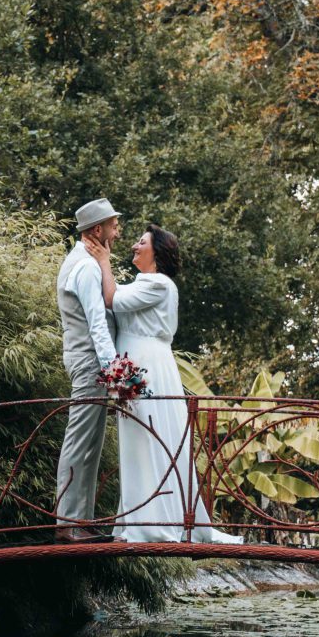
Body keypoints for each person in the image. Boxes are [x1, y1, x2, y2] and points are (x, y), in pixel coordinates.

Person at [85, 225, 244, 544]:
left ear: (157, 252)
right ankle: (139, 519)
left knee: (156, 439)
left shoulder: (159, 284)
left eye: (141, 242)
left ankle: (157, 523)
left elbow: (112, 298)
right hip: (136, 362)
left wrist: (103, 258)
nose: (133, 245)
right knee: (140, 443)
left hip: (150, 367)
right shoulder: (147, 283)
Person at [55, 198, 122, 544]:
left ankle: (82, 520)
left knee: (91, 443)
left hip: (88, 361)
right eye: (113, 224)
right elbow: (97, 323)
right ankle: (68, 522)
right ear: (97, 230)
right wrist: (115, 372)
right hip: (88, 362)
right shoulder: (85, 268)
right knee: (80, 438)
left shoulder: (85, 261)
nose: (117, 229)